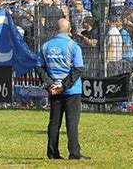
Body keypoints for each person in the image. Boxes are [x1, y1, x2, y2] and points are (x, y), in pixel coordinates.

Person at [36, 18, 90, 160]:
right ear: (70, 30)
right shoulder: (73, 46)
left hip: (54, 90)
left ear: (55, 29)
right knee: (72, 123)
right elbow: (78, 68)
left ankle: (52, 153)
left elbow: (40, 68)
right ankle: (74, 153)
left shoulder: (45, 46)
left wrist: (50, 84)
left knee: (54, 121)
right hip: (72, 90)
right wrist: (64, 85)